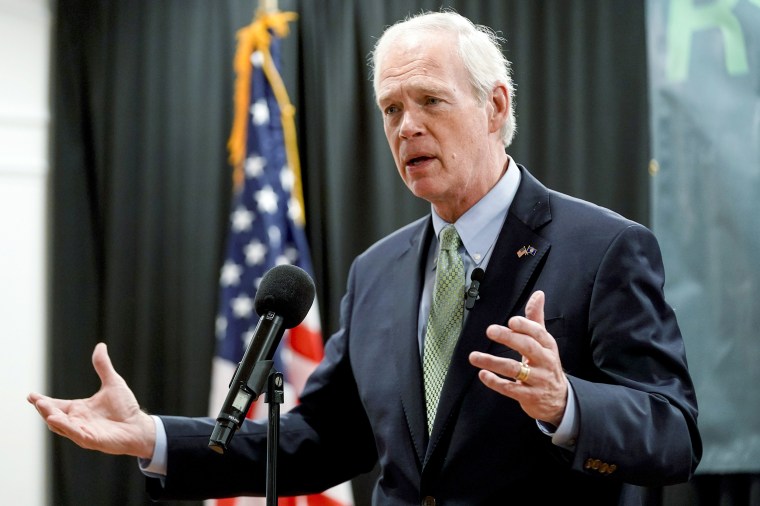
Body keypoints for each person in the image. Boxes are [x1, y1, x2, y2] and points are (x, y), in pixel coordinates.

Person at [28, 10, 701, 504]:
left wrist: (566, 404)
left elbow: (673, 437)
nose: (406, 126)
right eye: (390, 108)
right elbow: (320, 439)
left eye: (430, 101)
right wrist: (153, 437)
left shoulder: (605, 248)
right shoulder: (376, 271)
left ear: (495, 107)